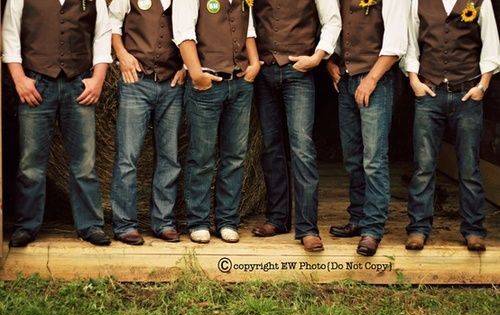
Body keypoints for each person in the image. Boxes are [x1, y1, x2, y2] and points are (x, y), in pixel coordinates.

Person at [2, 0, 112, 246]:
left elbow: (102, 36)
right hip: (37, 82)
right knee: (31, 162)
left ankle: (90, 225)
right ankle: (26, 225)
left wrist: (98, 80)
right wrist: (20, 79)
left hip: (79, 83)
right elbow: (10, 35)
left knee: (85, 162)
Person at [403, 0, 500, 251]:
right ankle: (418, 228)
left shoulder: (480, 1)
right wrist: (414, 80)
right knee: (423, 165)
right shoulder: (418, 1)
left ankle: (474, 230)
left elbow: (491, 45)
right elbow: (411, 44)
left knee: (469, 166)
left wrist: (482, 87)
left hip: (467, 94)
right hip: (429, 93)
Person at [250, 1, 342, 252]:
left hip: (299, 72)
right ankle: (277, 219)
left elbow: (332, 20)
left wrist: (318, 57)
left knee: (302, 148)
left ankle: (308, 228)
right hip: (265, 72)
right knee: (271, 148)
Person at [172, 0, 260, 243]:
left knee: (235, 156)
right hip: (207, 86)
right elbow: (183, 34)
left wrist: (253, 64)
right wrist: (197, 74)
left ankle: (228, 219)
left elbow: (249, 29)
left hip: (240, 84)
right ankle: (198, 221)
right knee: (201, 157)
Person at [327, 0, 409, 256]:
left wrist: (371, 79)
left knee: (373, 159)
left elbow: (396, 44)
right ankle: (358, 218)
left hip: (375, 80)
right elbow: (336, 31)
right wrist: (331, 64)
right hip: (347, 79)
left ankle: (372, 229)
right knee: (352, 157)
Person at [108, 0, 185, 245]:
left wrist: (185, 66)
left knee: (169, 157)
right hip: (136, 83)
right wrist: (122, 55)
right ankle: (125, 225)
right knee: (128, 156)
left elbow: (193, 30)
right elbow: (112, 24)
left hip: (171, 83)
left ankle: (164, 222)